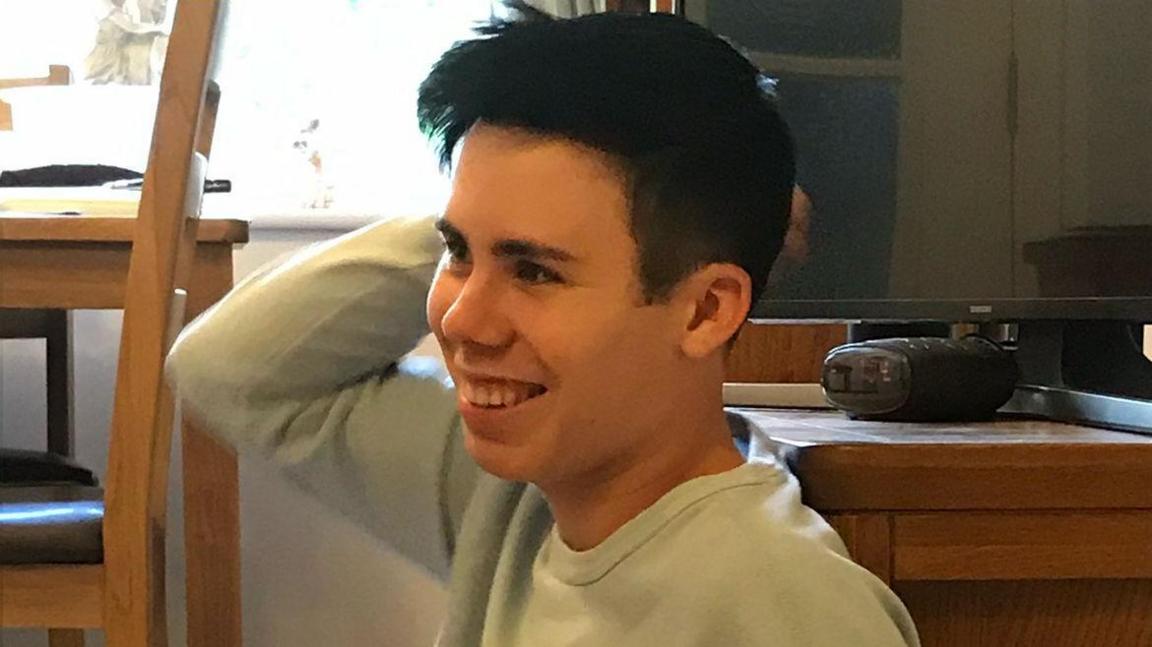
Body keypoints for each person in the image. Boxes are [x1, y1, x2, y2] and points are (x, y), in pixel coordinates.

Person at [166, 3, 920, 645]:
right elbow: (226, 370)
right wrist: (498, 214)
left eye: (534, 270)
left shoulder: (786, 608)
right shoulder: (512, 494)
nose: (464, 319)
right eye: (456, 251)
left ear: (705, 309)